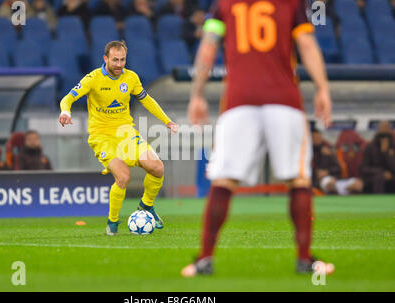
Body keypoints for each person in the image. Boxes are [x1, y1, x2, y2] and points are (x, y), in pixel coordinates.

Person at [182, 0, 335, 277]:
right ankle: (304, 260)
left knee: (224, 180)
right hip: (284, 100)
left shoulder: (224, 4)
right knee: (298, 179)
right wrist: (322, 88)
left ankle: (204, 259)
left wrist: (197, 95)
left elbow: (207, 47)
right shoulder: (291, 3)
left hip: (239, 101)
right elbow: (307, 44)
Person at [59, 40, 178, 235]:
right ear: (105, 59)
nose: (119, 64)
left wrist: (167, 121)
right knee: (123, 176)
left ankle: (146, 206)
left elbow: (146, 100)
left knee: (157, 168)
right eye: (115, 60)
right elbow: (68, 97)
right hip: (102, 136)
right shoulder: (93, 78)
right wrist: (66, 111)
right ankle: (112, 224)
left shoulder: (131, 78)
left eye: (123, 60)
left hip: (126, 134)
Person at [312, 128, 363, 195]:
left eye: (319, 137)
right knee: (330, 183)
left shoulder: (328, 150)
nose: (317, 139)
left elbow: (338, 168)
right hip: (320, 182)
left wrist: (328, 171)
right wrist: (317, 173)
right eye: (315, 137)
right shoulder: (307, 153)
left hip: (336, 179)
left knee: (358, 184)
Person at [360, 121, 395, 194]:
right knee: (379, 177)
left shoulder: (393, 147)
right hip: (374, 175)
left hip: (391, 174)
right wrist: (381, 172)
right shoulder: (370, 147)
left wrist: (386, 154)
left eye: (386, 128)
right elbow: (364, 168)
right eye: (382, 128)